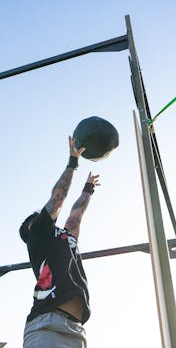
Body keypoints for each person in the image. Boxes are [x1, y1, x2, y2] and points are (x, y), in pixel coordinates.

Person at [19, 136, 100, 348]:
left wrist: (88, 189)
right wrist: (73, 162)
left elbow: (76, 215)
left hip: (75, 328)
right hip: (45, 325)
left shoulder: (65, 238)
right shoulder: (37, 234)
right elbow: (57, 198)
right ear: (32, 227)